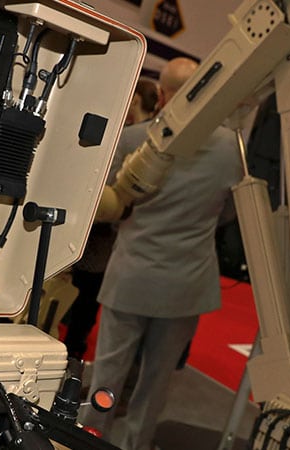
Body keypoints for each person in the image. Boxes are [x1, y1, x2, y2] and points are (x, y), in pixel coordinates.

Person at [79, 57, 243, 450]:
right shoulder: (231, 148)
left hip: (131, 275)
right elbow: (231, 212)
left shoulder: (134, 140)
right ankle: (136, 444)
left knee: (108, 373)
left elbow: (109, 205)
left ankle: (87, 439)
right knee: (157, 380)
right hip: (188, 281)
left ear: (163, 94)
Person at [63, 78, 158, 360]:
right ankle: (74, 351)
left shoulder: (129, 137)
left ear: (136, 99)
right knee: (87, 304)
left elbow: (106, 188)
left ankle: (69, 351)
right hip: (123, 240)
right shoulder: (152, 136)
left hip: (102, 234)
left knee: (79, 296)